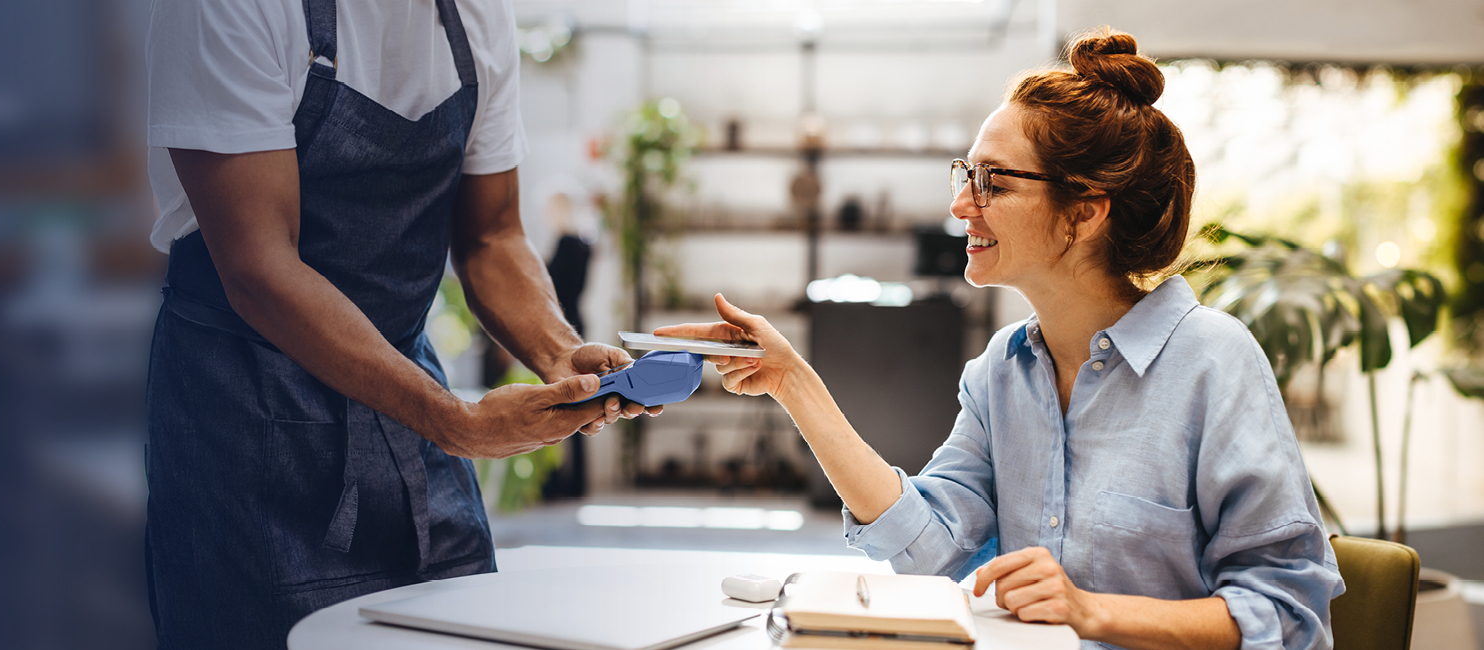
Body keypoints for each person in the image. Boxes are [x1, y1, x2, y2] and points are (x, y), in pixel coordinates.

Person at [656, 28, 1340, 650]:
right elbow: (930, 547)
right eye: (966, 175)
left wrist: (1093, 612)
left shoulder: (1212, 362)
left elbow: (1288, 613)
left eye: (994, 182)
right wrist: (792, 383)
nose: (961, 204)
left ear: (1087, 211)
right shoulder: (1001, 372)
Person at [142, 0, 654, 646]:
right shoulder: (230, 7)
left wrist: (562, 353)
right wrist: (454, 422)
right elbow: (260, 269)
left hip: (407, 415)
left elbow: (492, 235)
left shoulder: (474, 16)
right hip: (249, 428)